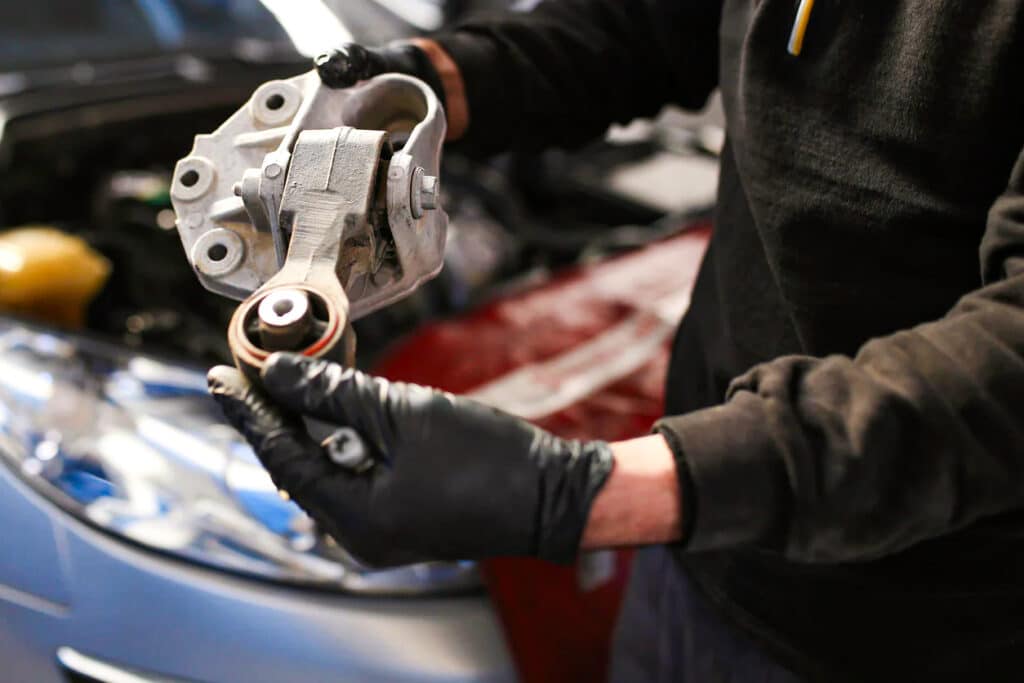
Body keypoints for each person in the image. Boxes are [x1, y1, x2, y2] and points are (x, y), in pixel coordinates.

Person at [207, 1, 1024, 680]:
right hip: (692, 555)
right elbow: (651, 25)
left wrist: (584, 493)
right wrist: (422, 83)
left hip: (919, 629)